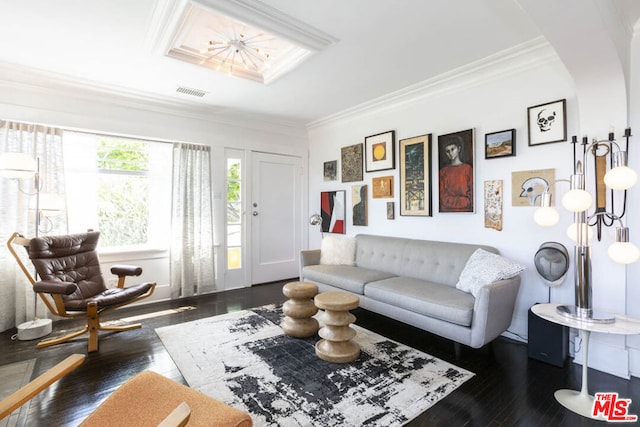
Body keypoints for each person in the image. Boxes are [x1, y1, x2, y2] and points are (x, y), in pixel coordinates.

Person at [439, 136, 473, 212]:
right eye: (447, 151)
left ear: (459, 149)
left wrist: (451, 201)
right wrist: (463, 201)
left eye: (452, 149)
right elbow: (442, 197)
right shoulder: (442, 172)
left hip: (466, 213)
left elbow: (471, 197)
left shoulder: (468, 169)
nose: (450, 153)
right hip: (445, 212)